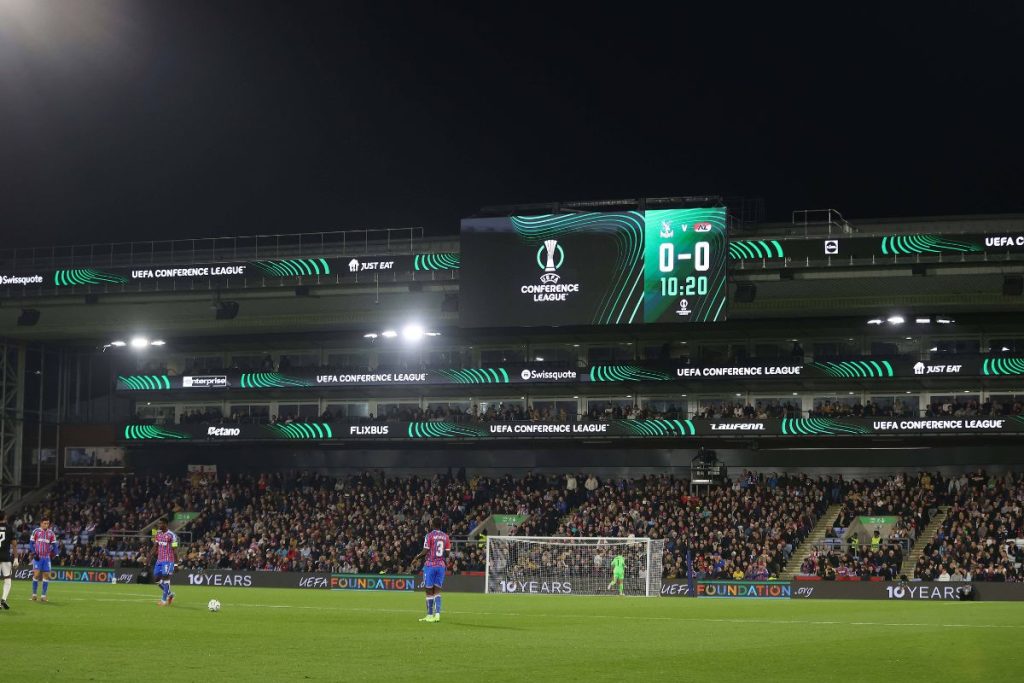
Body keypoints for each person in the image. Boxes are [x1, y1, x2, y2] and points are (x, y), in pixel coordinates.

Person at [412, 517, 450, 623]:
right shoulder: (446, 537)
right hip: (441, 566)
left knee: (429, 590)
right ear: (441, 525)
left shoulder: (429, 536)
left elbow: (425, 551)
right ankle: (437, 615)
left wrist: (416, 558)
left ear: (432, 525)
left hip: (430, 565)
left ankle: (429, 615)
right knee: (437, 590)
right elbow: (447, 553)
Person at [29, 518, 58, 602]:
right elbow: (31, 543)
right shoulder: (36, 531)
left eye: (47, 523)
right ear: (41, 523)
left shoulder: (51, 533)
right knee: (36, 574)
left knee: (46, 575)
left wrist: (55, 553)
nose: (46, 525)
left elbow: (54, 545)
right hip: (38, 557)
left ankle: (43, 596)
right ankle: (34, 595)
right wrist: (34, 553)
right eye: (45, 523)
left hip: (46, 557)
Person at [152, 520, 178, 606]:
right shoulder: (158, 534)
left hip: (168, 560)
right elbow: (155, 546)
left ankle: (163, 600)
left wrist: (176, 564)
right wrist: (148, 557)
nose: (159, 525)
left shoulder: (172, 535)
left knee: (166, 579)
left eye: (160, 523)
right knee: (156, 579)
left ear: (165, 524)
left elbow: (175, 550)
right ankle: (170, 594)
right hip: (159, 560)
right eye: (158, 523)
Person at [0, 510, 17, 610]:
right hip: (6, 557)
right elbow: (14, 544)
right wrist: (16, 558)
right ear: (5, 517)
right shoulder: (9, 528)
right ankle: (3, 599)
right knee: (7, 578)